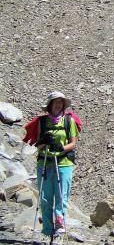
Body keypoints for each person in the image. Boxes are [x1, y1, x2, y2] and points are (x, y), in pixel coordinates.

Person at [35, 91, 79, 239]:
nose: (58, 104)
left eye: (60, 102)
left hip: (63, 163)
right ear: (50, 105)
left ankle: (59, 229)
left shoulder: (69, 121)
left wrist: (61, 148)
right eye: (55, 102)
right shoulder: (42, 122)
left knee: (61, 196)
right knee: (46, 198)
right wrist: (44, 141)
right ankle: (48, 230)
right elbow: (38, 144)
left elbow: (73, 143)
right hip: (45, 162)